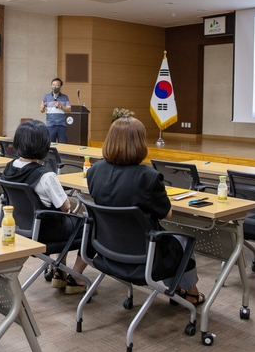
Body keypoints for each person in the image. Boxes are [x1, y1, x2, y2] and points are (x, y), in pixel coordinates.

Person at [86, 117, 205, 306]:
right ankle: (191, 292)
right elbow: (167, 214)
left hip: (107, 251)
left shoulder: (95, 171)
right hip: (144, 258)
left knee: (166, 241)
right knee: (182, 240)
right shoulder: (148, 177)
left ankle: (180, 290)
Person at [1, 120, 89, 294]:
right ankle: (76, 277)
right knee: (90, 225)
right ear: (43, 145)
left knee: (59, 218)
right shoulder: (46, 175)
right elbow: (65, 206)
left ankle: (60, 272)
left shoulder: (9, 167)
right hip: (45, 232)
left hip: (20, 227)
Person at [40, 77, 71, 143]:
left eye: (57, 85)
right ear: (51, 85)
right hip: (50, 125)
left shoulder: (65, 97)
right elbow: (42, 110)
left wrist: (60, 106)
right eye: (53, 85)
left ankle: (63, 154)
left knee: (63, 145)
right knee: (50, 144)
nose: (55, 86)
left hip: (61, 124)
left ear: (60, 86)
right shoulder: (46, 96)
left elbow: (69, 110)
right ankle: (51, 154)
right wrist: (42, 107)